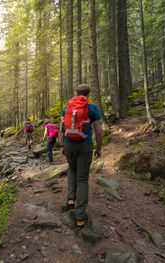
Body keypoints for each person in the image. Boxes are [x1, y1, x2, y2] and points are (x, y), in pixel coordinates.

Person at [59, 84, 103, 227]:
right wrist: (98, 148)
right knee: (83, 179)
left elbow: (62, 127)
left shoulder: (67, 107)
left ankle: (71, 198)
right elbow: (99, 130)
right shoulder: (92, 108)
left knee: (71, 169)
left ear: (76, 93)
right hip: (85, 144)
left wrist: (62, 144)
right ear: (88, 94)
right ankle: (80, 216)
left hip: (69, 143)